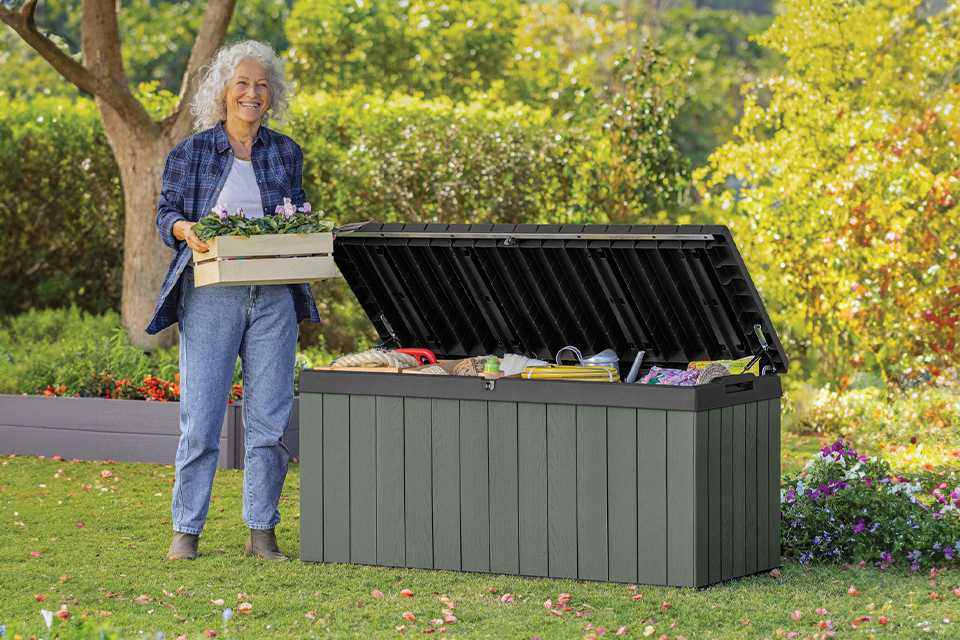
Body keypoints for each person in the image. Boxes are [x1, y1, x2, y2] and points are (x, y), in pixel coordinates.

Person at [145, 40, 320, 561]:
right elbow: (166, 215)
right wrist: (184, 228)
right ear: (223, 91)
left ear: (272, 95)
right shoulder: (193, 151)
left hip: (274, 299)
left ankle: (261, 532)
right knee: (201, 419)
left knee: (269, 420)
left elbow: (294, 215)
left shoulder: (286, 152)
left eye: (262, 85)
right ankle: (186, 530)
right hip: (212, 295)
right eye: (242, 83)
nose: (252, 93)